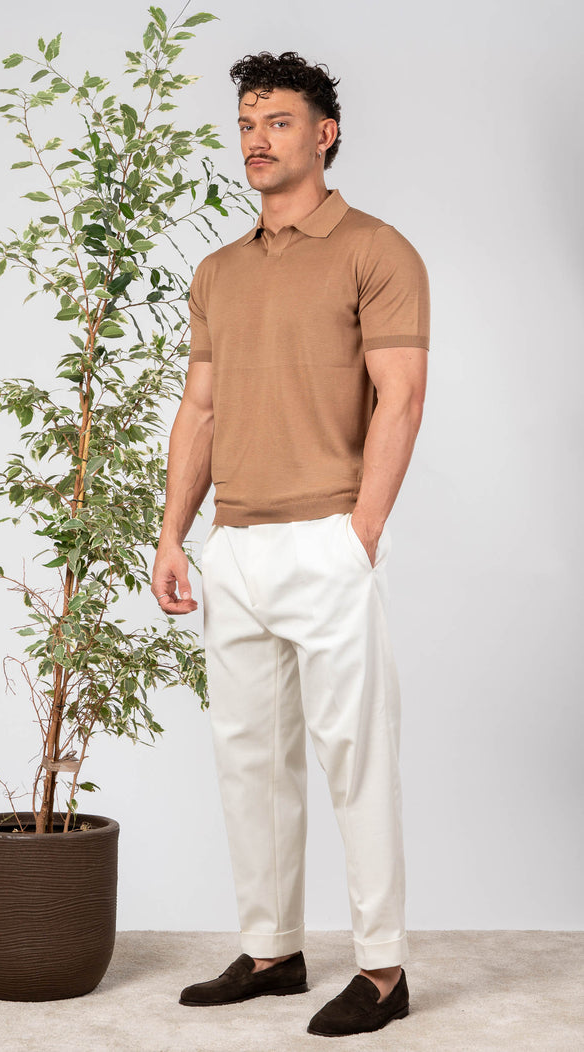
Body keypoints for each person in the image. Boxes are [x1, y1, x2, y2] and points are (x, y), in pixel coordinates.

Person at [151, 49, 430, 1038]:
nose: (256, 140)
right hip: (234, 541)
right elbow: (199, 408)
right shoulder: (218, 272)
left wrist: (361, 532)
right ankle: (271, 951)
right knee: (249, 762)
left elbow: (401, 395)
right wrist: (172, 533)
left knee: (357, 760)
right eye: (245, 123)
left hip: (326, 537)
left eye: (276, 121)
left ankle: (383, 969)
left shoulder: (376, 250)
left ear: (325, 132)